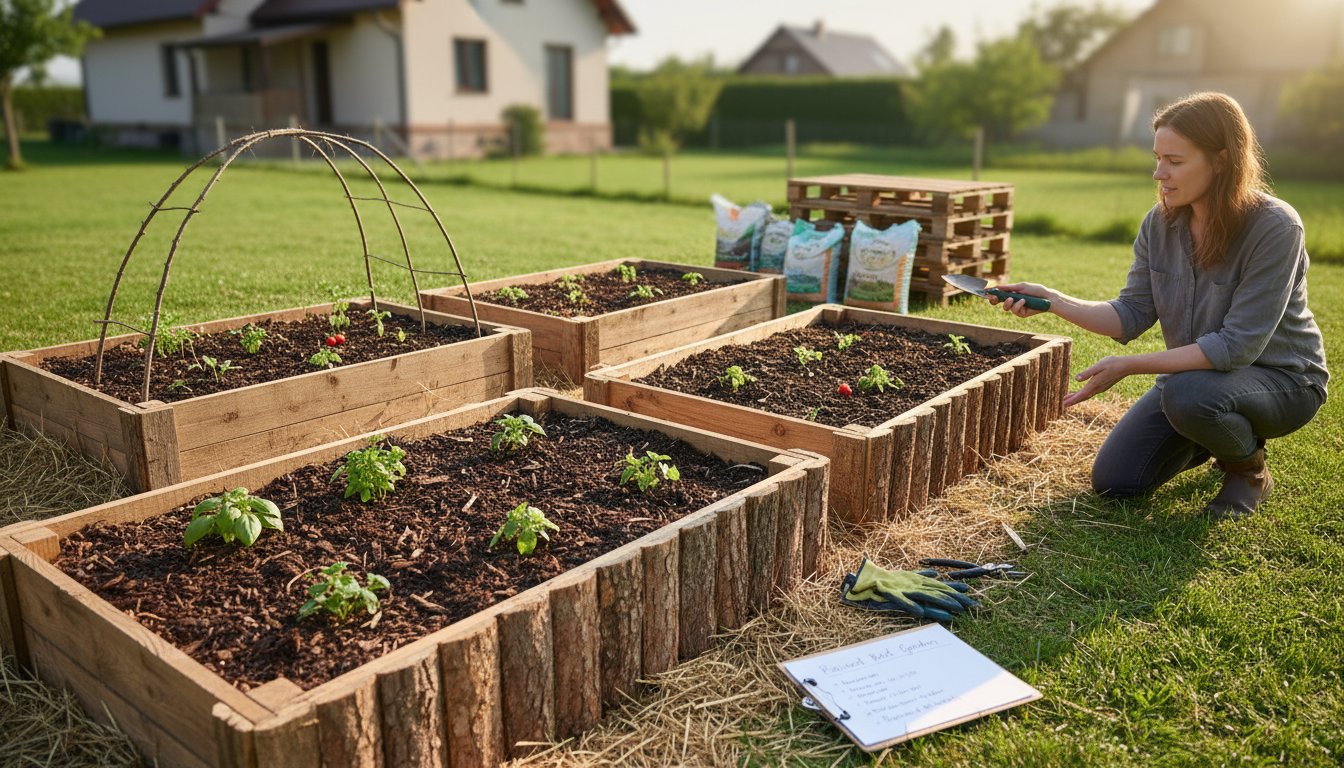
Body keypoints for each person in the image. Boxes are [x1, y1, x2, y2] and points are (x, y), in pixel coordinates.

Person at [992, 91, 1328, 518]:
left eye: (1175, 161)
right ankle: (1213, 433)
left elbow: (1237, 347)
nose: (1158, 173)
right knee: (1117, 482)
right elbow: (1130, 314)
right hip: (1196, 381)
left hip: (1283, 381)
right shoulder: (1161, 222)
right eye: (1157, 158)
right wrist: (1053, 301)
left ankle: (1247, 469)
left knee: (1189, 396)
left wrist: (1128, 365)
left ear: (1222, 160)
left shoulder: (1276, 227)